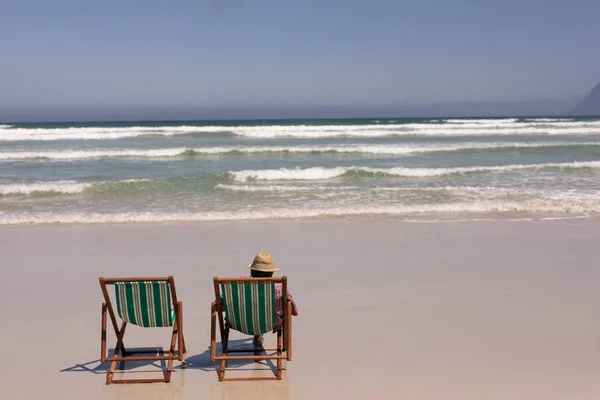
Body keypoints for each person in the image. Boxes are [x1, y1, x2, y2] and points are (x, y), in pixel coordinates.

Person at [246, 252, 298, 351]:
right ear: (271, 273)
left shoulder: (240, 289)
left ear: (252, 272)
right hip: (271, 323)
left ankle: (257, 335)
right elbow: (295, 313)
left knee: (255, 310)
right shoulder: (281, 291)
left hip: (245, 323)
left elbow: (222, 306)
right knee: (264, 313)